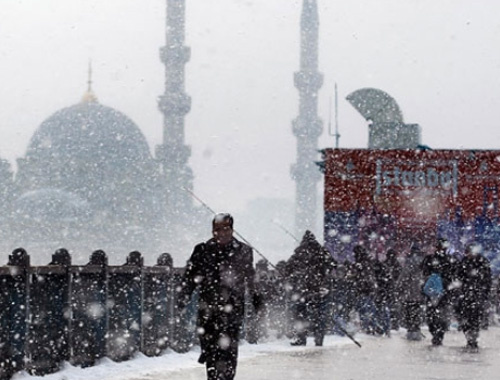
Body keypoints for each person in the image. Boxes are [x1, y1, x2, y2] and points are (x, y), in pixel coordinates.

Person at [177, 213, 259, 380]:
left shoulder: (244, 251)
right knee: (209, 344)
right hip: (208, 307)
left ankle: (224, 373)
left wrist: (255, 295)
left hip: (232, 309)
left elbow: (250, 277)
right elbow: (190, 276)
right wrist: (184, 295)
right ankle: (209, 357)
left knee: (228, 349)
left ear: (232, 230)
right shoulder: (202, 250)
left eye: (225, 229)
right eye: (217, 230)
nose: (221, 233)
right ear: (212, 230)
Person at [285, 230, 335, 346]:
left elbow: (287, 268)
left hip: (303, 290)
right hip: (319, 289)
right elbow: (333, 264)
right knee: (319, 316)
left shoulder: (299, 253)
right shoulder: (322, 252)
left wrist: (295, 275)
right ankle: (319, 338)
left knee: (300, 314)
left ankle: (301, 338)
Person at [456, 244, 491, 350]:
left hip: (476, 295)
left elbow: (487, 279)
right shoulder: (464, 262)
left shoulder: (482, 262)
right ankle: (469, 338)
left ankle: (473, 340)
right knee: (465, 318)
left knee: (474, 318)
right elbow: (458, 277)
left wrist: (484, 292)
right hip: (466, 295)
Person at [421, 238, 454, 346]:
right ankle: (438, 335)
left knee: (433, 316)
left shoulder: (430, 259)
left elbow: (423, 272)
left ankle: (437, 335)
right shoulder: (449, 260)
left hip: (435, 294)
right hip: (441, 293)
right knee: (438, 316)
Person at [399, 244, 425, 340]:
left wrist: (400, 287)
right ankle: (417, 331)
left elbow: (403, 278)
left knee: (409, 313)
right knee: (417, 313)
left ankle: (411, 332)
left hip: (409, 294)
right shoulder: (423, 262)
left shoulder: (409, 263)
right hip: (420, 294)